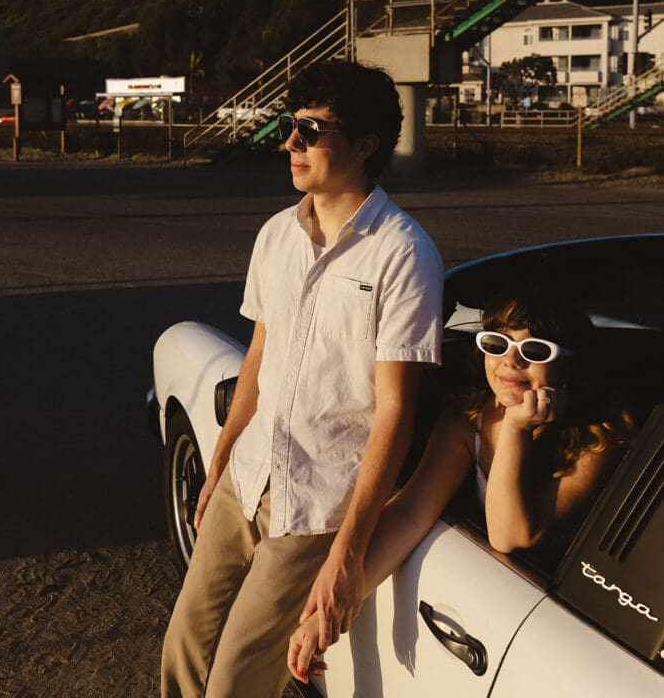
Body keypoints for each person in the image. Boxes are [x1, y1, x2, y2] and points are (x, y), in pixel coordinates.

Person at [161, 59, 444, 698]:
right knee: (183, 647)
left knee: (235, 681)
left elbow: (395, 412)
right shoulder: (276, 236)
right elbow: (259, 359)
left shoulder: (404, 254)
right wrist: (220, 461)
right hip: (247, 476)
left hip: (314, 504)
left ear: (365, 145)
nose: (290, 142)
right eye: (291, 126)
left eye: (311, 130)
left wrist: (347, 551)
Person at [288, 284, 633, 685]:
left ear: (569, 369)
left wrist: (518, 428)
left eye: (535, 351)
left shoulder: (598, 438)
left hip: (573, 638)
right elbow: (410, 514)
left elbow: (510, 535)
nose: (510, 361)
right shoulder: (466, 422)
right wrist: (325, 616)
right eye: (497, 343)